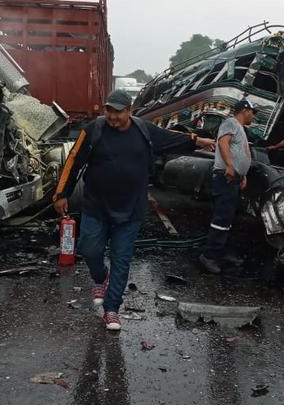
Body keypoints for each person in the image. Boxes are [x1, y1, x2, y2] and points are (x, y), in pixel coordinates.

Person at [53, 90, 215, 331]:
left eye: (118, 111)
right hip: (96, 206)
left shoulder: (143, 130)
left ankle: (111, 309)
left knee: (122, 258)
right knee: (88, 249)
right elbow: (73, 161)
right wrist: (61, 193)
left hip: (130, 209)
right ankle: (100, 278)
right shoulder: (94, 129)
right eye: (109, 110)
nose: (113, 116)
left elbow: (171, 138)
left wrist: (197, 140)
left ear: (129, 111)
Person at [197, 98, 256, 274]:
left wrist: (242, 175)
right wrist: (230, 166)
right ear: (245, 110)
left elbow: (239, 152)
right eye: (253, 112)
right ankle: (209, 256)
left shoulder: (240, 129)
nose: (253, 116)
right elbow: (223, 143)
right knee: (222, 218)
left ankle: (223, 253)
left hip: (234, 179)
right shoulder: (230, 123)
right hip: (225, 178)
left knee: (229, 218)